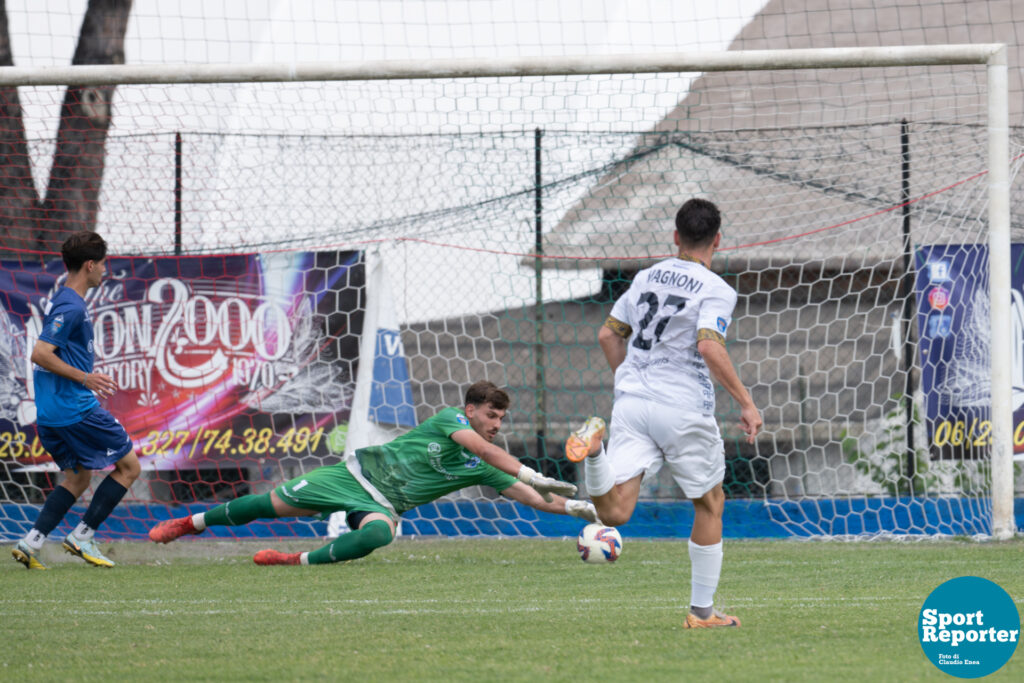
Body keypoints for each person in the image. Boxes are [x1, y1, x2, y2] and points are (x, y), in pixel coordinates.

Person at [565, 198, 762, 628]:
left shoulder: (645, 277)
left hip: (632, 402)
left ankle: (594, 452)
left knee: (614, 513)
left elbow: (607, 335)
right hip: (682, 407)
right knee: (710, 504)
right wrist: (746, 402)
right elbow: (710, 345)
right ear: (717, 240)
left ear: (675, 237)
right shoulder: (716, 289)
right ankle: (701, 614)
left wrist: (632, 381)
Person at [149, 380, 596, 565]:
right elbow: (483, 449)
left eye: (502, 420)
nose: (497, 426)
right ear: (471, 410)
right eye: (492, 415)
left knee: (380, 535)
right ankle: (188, 523)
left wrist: (576, 508)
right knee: (269, 505)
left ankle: (295, 561)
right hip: (354, 477)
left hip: (381, 505)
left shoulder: (482, 464)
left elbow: (531, 497)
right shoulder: (449, 421)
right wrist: (534, 473)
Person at [12, 231, 140, 570]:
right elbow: (40, 353)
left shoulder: (65, 300)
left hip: (51, 415)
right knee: (130, 467)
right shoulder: (70, 306)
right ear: (89, 265)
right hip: (74, 411)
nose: (104, 271)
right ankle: (82, 536)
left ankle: (31, 542)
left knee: (78, 478)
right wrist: (86, 378)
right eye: (102, 265)